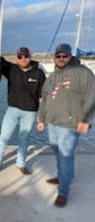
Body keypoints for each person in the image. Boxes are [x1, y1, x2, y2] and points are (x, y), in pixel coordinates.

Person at [37, 43, 95, 207]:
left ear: (70, 56)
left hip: (70, 125)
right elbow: (44, 99)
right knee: (57, 152)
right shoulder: (52, 77)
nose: (61, 59)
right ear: (54, 58)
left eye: (64, 56)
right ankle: (63, 176)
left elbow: (92, 97)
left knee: (65, 155)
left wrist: (85, 120)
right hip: (52, 123)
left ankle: (63, 191)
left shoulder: (83, 73)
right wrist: (41, 119)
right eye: (58, 56)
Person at [0, 47, 46, 175]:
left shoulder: (39, 73)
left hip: (30, 112)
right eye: (20, 57)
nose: (23, 59)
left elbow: (42, 97)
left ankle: (21, 164)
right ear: (17, 58)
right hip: (13, 110)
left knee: (24, 139)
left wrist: (41, 116)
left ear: (30, 57)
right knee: (3, 137)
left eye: (26, 56)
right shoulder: (11, 69)